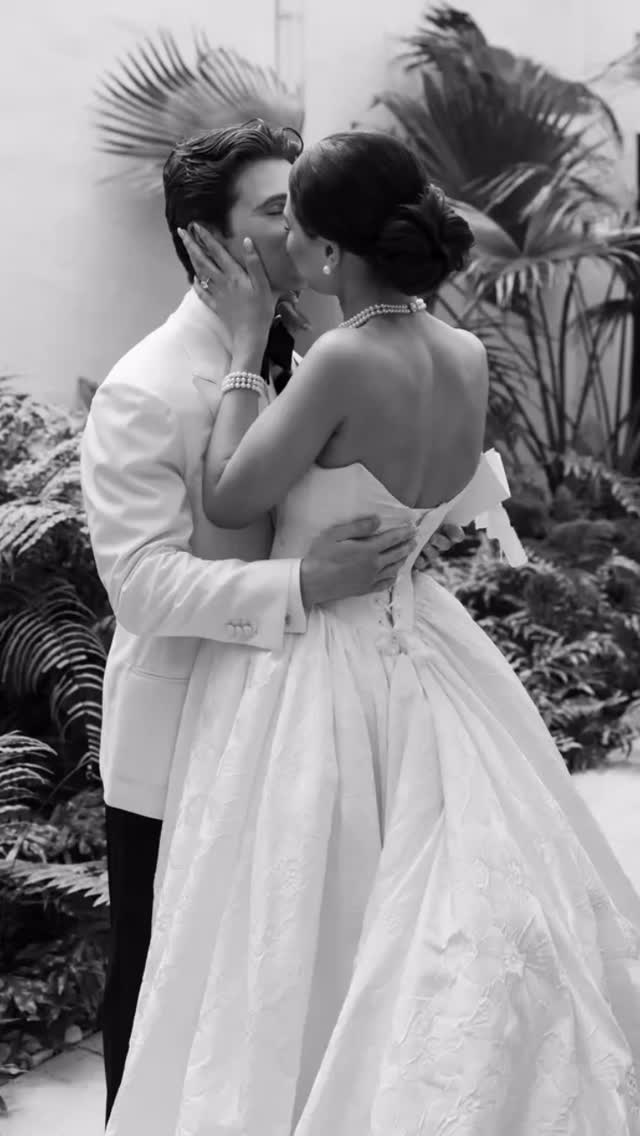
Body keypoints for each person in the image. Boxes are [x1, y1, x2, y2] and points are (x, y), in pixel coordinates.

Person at [106, 129, 640, 1136]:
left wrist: (235, 359)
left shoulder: (341, 358)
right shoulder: (466, 352)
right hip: (426, 649)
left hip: (320, 664)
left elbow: (227, 493)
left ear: (327, 253)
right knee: (414, 906)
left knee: (300, 929)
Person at [80, 120, 459, 1124]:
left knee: (295, 993)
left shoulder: (333, 349)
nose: (305, 225)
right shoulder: (145, 387)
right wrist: (304, 583)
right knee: (164, 997)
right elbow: (143, 587)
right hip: (178, 743)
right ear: (207, 244)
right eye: (275, 209)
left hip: (303, 734)